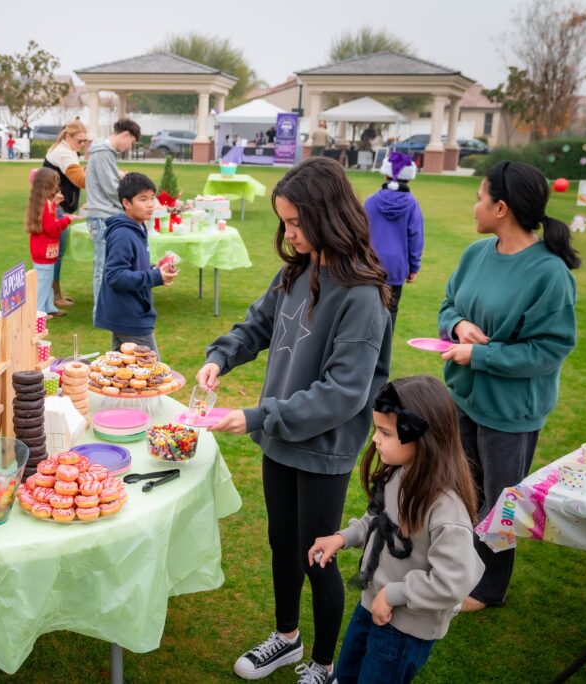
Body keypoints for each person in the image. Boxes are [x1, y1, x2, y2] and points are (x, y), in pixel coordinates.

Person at [197, 157, 391, 684]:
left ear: (330, 215)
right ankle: (286, 639)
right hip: (279, 439)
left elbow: (344, 391)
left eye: (298, 223)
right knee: (281, 543)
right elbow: (256, 323)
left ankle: (324, 665)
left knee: (316, 556)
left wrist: (259, 415)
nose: (290, 233)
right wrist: (221, 356)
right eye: (285, 222)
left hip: (322, 448)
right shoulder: (298, 271)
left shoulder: (363, 296)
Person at [438, 160, 578, 612]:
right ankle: (457, 567)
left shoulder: (550, 273)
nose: (474, 205)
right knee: (462, 488)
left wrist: (481, 355)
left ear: (501, 207)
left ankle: (487, 588)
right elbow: (447, 305)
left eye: (480, 197)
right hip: (463, 398)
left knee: (500, 502)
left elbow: (547, 350)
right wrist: (458, 325)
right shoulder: (475, 254)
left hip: (511, 411)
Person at [309, 376, 483, 683]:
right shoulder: (397, 474)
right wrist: (342, 538)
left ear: (422, 439)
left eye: (386, 432)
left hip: (405, 629)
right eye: (377, 429)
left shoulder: (446, 510)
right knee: (348, 673)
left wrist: (394, 593)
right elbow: (376, 521)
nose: (375, 439)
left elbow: (453, 581)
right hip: (372, 605)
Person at [94, 172, 177, 354]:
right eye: (142, 199)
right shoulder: (123, 234)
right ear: (126, 203)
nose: (150, 205)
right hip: (129, 316)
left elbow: (132, 266)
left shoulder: (138, 226)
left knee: (122, 371)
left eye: (152, 198)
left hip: (129, 311)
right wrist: (155, 276)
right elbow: (115, 276)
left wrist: (155, 270)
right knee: (151, 373)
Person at [85, 118, 140, 311]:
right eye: (131, 142)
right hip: (102, 216)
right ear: (125, 134)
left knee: (108, 265)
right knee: (103, 267)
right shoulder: (102, 153)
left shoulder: (103, 152)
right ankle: (100, 311)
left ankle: (108, 307)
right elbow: (111, 189)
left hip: (103, 215)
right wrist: (131, 205)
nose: (128, 147)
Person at [364, 151, 424, 329]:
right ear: (409, 178)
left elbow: (359, 232)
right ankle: (384, 352)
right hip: (396, 267)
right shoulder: (412, 204)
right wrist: (414, 267)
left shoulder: (371, 202)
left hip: (369, 265)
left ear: (386, 173)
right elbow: (415, 237)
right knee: (390, 312)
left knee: (367, 311)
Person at [44, 120, 88, 308]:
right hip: (56, 209)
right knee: (55, 254)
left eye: (85, 141)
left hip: (56, 207)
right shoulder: (63, 153)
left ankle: (53, 294)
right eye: (80, 141)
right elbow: (79, 179)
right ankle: (53, 296)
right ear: (68, 136)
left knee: (55, 254)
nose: (83, 145)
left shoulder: (67, 150)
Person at [26, 168, 77, 319]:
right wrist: (66, 220)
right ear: (49, 185)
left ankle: (48, 307)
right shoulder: (46, 206)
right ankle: (39, 312)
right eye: (55, 183)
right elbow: (52, 229)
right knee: (42, 283)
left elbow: (47, 222)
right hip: (44, 251)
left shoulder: (43, 203)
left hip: (42, 250)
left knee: (46, 281)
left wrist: (54, 204)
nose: (57, 186)